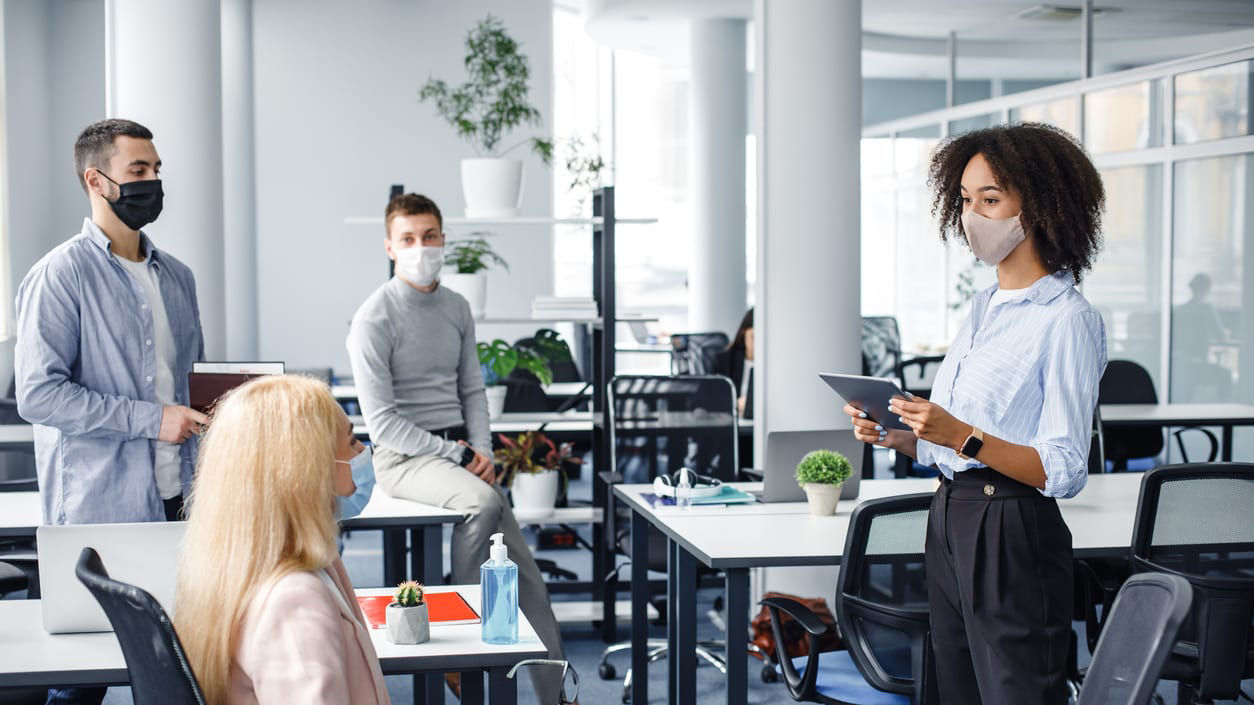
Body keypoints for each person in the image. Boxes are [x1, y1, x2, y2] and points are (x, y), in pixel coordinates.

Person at [844, 123, 1107, 705]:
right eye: (965, 199)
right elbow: (955, 446)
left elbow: (1062, 467)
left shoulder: (1066, 318)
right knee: (953, 687)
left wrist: (962, 435)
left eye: (991, 199)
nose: (972, 215)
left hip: (1011, 526)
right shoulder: (984, 307)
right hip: (949, 515)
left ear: (1040, 205)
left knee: (1016, 691)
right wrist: (901, 436)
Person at [346, 193, 570, 704]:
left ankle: (558, 695)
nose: (420, 247)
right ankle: (467, 645)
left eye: (429, 237)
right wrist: (461, 456)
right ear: (389, 246)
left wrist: (483, 451)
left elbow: (473, 389)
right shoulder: (372, 319)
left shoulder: (456, 307)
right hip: (403, 457)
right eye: (407, 239)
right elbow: (382, 425)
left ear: (443, 240)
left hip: (461, 453)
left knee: (527, 578)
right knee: (484, 503)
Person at [14, 119, 207, 705]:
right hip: (103, 504)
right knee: (84, 680)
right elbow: (38, 395)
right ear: (96, 180)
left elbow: (191, 380)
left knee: (185, 660)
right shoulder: (60, 275)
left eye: (156, 170)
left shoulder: (178, 277)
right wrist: (153, 419)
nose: (153, 182)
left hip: (181, 496)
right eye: (138, 171)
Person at [175, 375, 388, 705]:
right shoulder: (294, 601)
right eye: (353, 442)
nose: (365, 452)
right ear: (309, 469)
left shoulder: (235, 563)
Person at [714, 308, 754, 417]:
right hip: (735, 423)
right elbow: (710, 401)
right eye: (754, 338)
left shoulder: (774, 365)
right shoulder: (726, 360)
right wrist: (735, 404)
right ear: (743, 332)